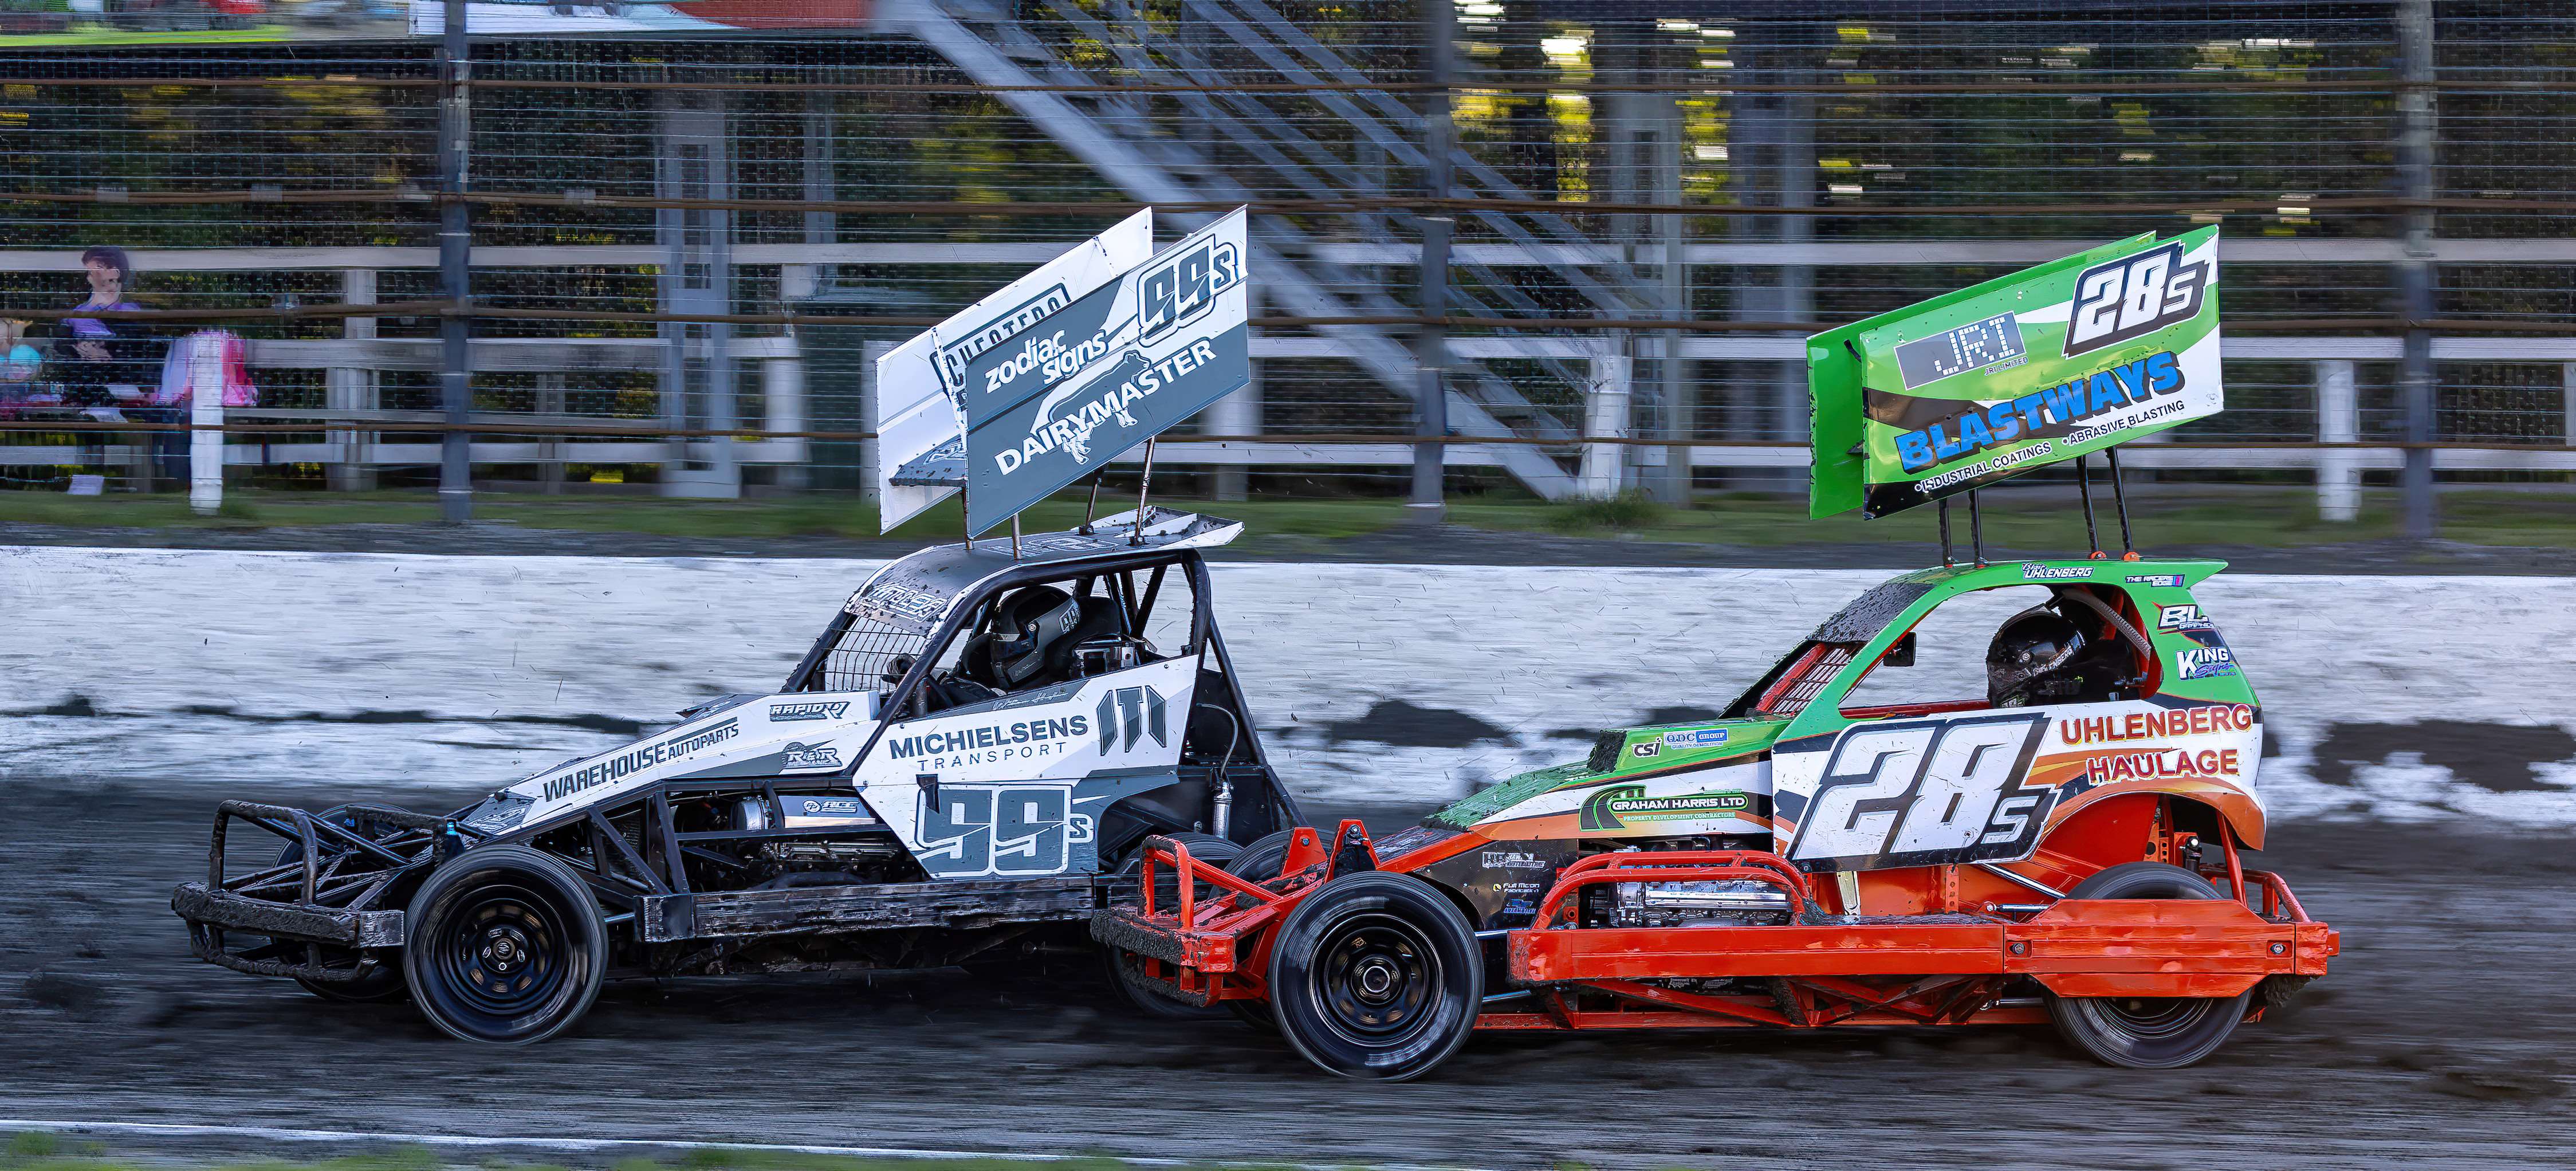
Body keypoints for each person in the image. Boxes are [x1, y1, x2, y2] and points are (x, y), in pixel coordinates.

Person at [54, 245, 175, 486]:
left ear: (117, 272)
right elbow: (61, 351)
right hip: (87, 387)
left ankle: (126, 480)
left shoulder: (133, 312)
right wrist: (82, 353)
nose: (95, 274)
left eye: (101, 267)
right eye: (92, 269)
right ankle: (90, 479)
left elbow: (138, 354)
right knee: (89, 410)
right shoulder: (75, 314)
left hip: (121, 389)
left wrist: (104, 351)